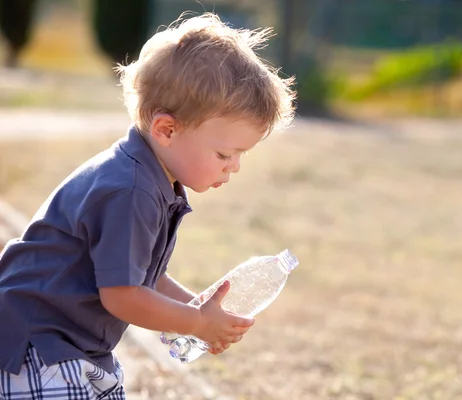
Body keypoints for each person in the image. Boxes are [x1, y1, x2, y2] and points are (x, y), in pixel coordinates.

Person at [0, 12, 296, 399]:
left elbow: (143, 277)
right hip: (36, 345)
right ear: (166, 130)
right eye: (225, 152)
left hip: (71, 344)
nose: (235, 166)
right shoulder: (131, 190)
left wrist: (194, 306)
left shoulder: (151, 179)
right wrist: (195, 323)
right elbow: (123, 295)